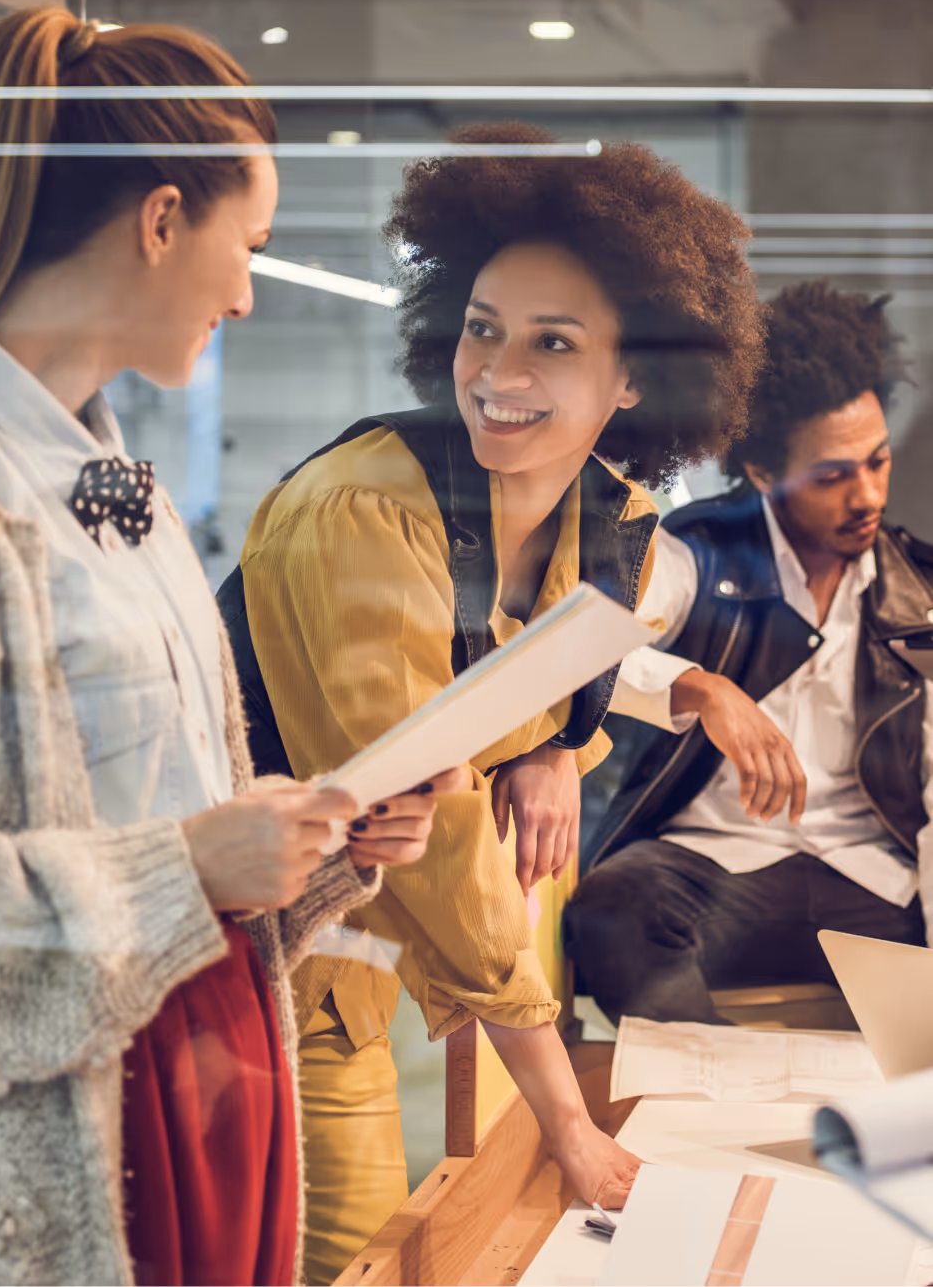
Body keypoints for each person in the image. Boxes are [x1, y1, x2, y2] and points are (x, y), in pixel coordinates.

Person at [0, 7, 448, 1287]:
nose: (250, 292)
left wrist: (308, 851)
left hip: (205, 1078)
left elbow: (155, 830)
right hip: (49, 1140)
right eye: (243, 247)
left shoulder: (108, 483)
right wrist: (191, 864)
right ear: (158, 222)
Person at [219, 123, 765, 1282]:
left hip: (454, 980)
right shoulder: (362, 512)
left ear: (633, 381)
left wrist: (554, 747)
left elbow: (548, 679)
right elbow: (429, 807)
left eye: (552, 344)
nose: (498, 375)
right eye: (481, 329)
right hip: (285, 962)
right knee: (359, 1255)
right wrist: (568, 1112)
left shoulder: (608, 519)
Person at [566, 281, 933, 1026]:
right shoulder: (695, 552)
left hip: (871, 882)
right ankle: (704, 1100)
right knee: (613, 906)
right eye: (832, 475)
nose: (866, 494)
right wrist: (702, 687)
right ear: (764, 473)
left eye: (878, 462)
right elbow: (576, 644)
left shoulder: (917, 592)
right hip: (713, 871)